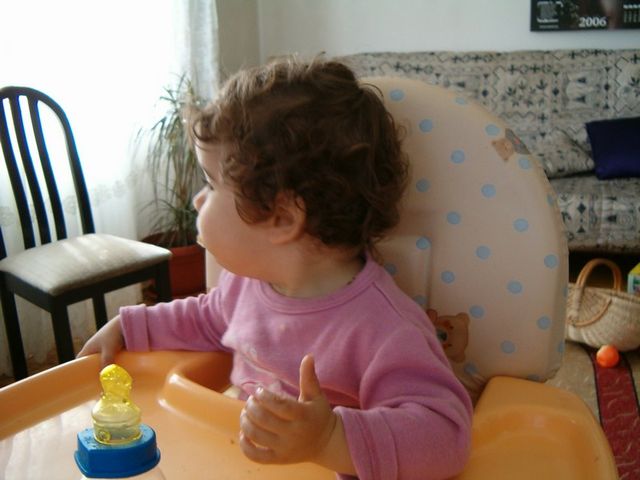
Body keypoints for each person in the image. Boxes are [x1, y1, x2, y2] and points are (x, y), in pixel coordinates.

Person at [79, 56, 472, 480]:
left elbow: (446, 437)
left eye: (211, 183)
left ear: (282, 218)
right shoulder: (245, 286)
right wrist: (131, 326)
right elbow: (207, 318)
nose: (197, 200)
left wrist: (329, 439)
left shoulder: (385, 329)